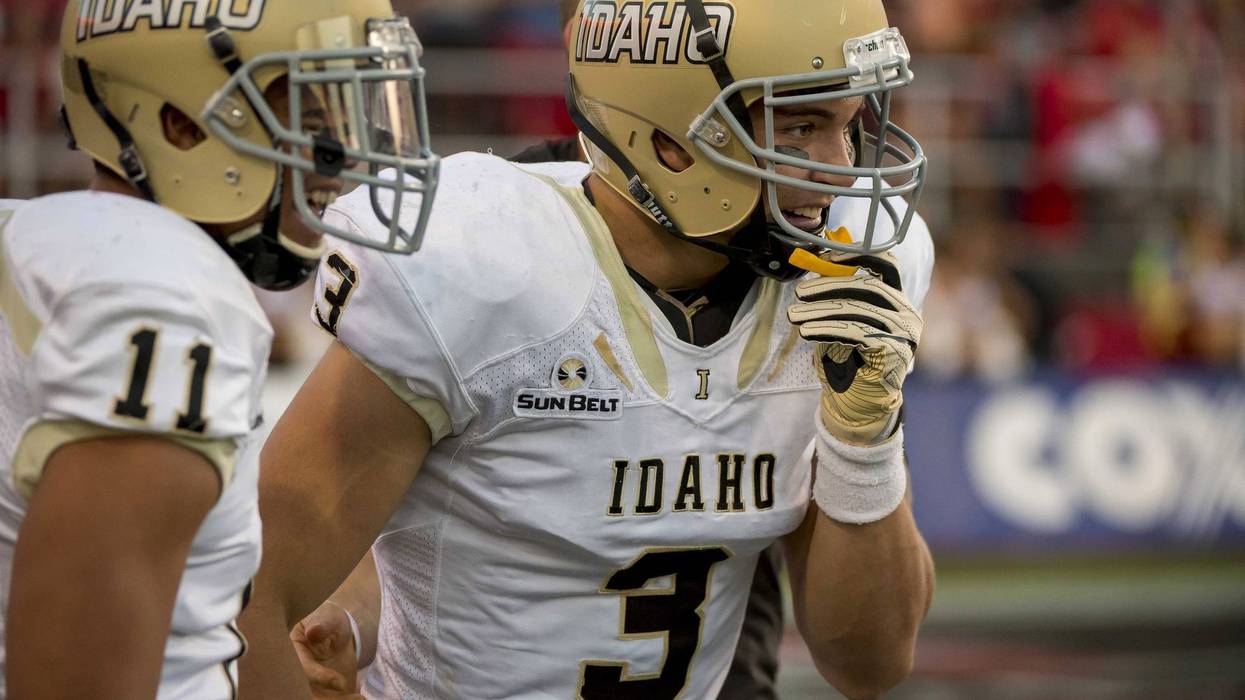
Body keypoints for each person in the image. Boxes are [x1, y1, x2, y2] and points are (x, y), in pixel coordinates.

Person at [241, 1, 935, 698]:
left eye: (850, 125)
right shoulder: (487, 262)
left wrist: (864, 442)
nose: (843, 171)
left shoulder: (842, 278)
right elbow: (254, 592)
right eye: (801, 127)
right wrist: (347, 620)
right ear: (670, 136)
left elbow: (869, 664)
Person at [0, 2, 436, 698]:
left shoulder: (45, 241)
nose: (344, 154)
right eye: (313, 118)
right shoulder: (163, 295)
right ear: (182, 125)